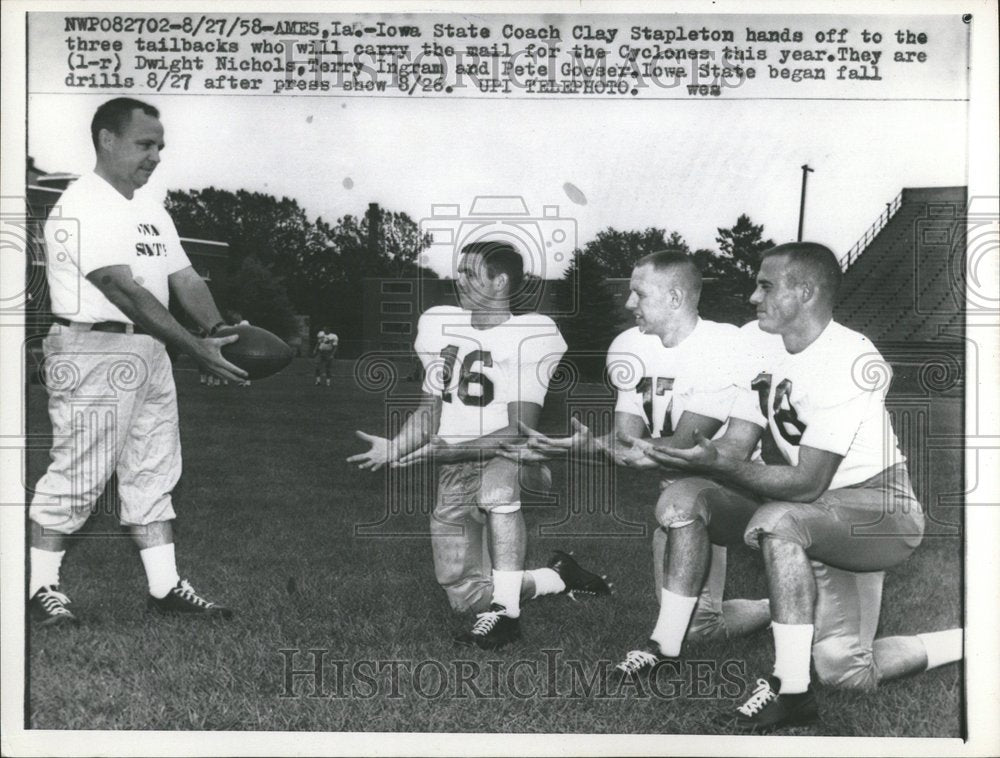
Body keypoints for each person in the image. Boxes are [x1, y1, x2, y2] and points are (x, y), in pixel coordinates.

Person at [639, 242, 962, 732]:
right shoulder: (761, 341)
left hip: (876, 507)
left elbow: (808, 481)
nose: (753, 297)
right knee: (684, 496)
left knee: (844, 667)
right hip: (806, 506)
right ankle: (666, 646)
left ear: (806, 292)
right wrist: (682, 457)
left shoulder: (851, 357)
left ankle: (799, 688)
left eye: (766, 286)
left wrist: (719, 465)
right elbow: (740, 441)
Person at [28, 97, 247, 627]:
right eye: (144, 144)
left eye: (160, 147)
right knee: (79, 469)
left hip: (148, 349)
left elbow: (186, 280)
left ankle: (165, 586)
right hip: (93, 348)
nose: (155, 157)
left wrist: (218, 334)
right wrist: (195, 348)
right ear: (107, 140)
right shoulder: (85, 201)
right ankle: (39, 587)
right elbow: (119, 288)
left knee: (154, 468)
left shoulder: (150, 208)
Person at [509, 252, 771, 675]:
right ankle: (780, 605)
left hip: (737, 495)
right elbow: (627, 441)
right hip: (679, 496)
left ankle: (661, 651)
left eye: (639, 293)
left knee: (680, 501)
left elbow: (684, 444)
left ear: (674, 297)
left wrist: (611, 449)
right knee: (700, 627)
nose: (629, 305)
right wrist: (567, 446)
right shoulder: (632, 347)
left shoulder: (723, 346)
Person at [348, 240, 611, 650]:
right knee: (464, 597)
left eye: (471, 272)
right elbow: (428, 412)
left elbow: (519, 432)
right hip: (454, 466)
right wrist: (394, 447)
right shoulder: (440, 325)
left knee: (496, 491)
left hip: (512, 460)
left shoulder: (531, 334)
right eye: (460, 271)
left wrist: (446, 451)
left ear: (500, 280)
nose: (460, 280)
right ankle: (559, 576)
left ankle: (507, 616)